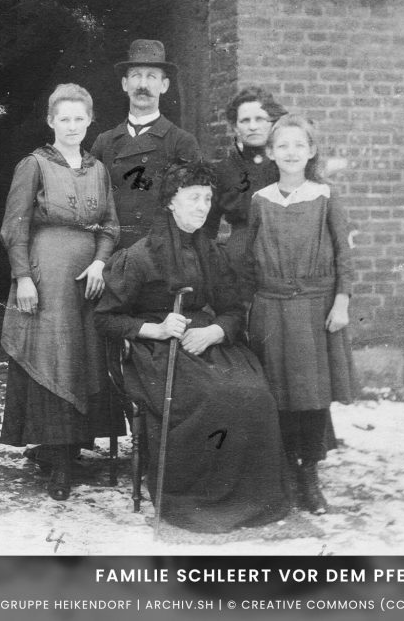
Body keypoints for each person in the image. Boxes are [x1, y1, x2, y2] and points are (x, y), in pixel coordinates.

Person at [93, 160, 291, 533]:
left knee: (256, 394)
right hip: (156, 350)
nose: (202, 207)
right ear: (171, 201)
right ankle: (197, 498)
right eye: (193, 198)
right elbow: (105, 319)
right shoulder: (139, 256)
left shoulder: (211, 253)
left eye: (207, 199)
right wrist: (156, 328)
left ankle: (249, 498)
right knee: (213, 396)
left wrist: (215, 331)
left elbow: (233, 310)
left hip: (204, 339)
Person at [0, 84, 120, 501]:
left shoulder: (98, 169)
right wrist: (23, 278)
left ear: (90, 122)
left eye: (79, 119)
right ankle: (57, 459)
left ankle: (73, 448)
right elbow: (14, 226)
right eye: (63, 119)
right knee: (53, 356)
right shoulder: (33, 165)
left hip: (87, 282)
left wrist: (100, 262)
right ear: (51, 121)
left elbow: (110, 225)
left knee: (82, 358)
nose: (71, 126)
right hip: (46, 277)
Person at [244, 114, 358, 515]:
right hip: (272, 308)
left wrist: (341, 301)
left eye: (299, 145)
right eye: (283, 146)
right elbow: (249, 255)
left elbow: (343, 254)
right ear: (271, 153)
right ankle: (286, 472)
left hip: (314, 309)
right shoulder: (260, 200)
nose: (291, 152)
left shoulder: (325, 196)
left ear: (311, 151)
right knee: (278, 393)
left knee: (311, 395)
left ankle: (309, 475)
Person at [90, 39, 200, 251]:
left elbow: (193, 209)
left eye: (151, 76)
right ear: (125, 84)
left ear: (164, 85)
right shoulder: (104, 142)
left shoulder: (182, 142)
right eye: (136, 76)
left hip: (160, 254)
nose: (143, 85)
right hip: (113, 254)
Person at [200, 87, 287, 268]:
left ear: (272, 123)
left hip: (284, 256)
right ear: (235, 127)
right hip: (239, 260)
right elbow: (207, 227)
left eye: (260, 119)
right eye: (245, 120)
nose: (253, 126)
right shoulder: (223, 170)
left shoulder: (286, 165)